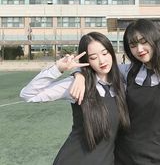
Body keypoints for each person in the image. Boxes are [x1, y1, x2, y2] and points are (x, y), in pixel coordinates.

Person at [71, 19, 160, 165]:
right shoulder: (128, 71)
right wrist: (78, 74)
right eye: (133, 45)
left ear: (155, 40)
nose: (139, 49)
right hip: (122, 157)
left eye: (144, 41)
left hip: (157, 158)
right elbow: (99, 66)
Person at [20, 32, 130, 165]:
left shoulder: (122, 82)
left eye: (105, 53)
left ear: (111, 52)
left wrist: (78, 73)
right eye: (93, 57)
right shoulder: (77, 85)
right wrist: (58, 69)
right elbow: (28, 95)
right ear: (87, 61)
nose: (102, 61)